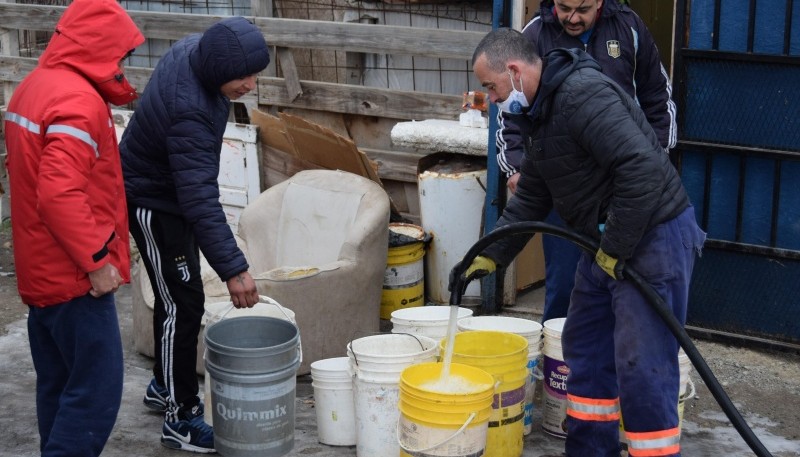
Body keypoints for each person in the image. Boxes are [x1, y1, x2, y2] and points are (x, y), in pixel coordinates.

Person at [462, 28, 706, 456]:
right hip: (606, 239)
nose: (494, 100)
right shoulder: (541, 113)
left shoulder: (582, 96)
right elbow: (532, 198)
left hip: (652, 234)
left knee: (642, 365)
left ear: (515, 71)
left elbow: (642, 170)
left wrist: (615, 246)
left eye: (491, 88)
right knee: (586, 347)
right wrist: (486, 256)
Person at [119, 16, 267, 453]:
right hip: (152, 201)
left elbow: (193, 188)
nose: (251, 85)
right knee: (181, 305)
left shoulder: (196, 52)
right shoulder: (191, 109)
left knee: (180, 299)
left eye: (256, 73)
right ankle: (179, 418)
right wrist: (234, 270)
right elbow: (200, 196)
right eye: (243, 77)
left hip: (173, 192)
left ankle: (163, 386)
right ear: (218, 71)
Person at [2, 0, 144, 455]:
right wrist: (97, 261)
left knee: (59, 385)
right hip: (75, 278)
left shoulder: (33, 86)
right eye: (119, 53)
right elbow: (59, 193)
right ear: (99, 48)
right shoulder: (79, 101)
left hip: (39, 270)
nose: (121, 63)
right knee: (94, 394)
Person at [498, 0, 677, 322]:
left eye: (583, 9)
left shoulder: (629, 28)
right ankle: (558, 359)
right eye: (564, 8)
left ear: (600, 2)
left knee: (624, 286)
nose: (573, 18)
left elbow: (657, 97)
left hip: (621, 189)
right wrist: (516, 166)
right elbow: (510, 114)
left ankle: (615, 363)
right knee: (566, 284)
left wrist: (652, 159)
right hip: (559, 183)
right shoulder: (535, 34)